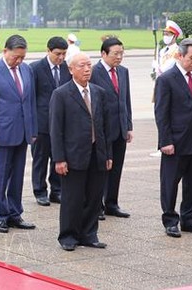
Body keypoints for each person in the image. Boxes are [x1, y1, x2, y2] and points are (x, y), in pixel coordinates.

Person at [50, 52, 112, 251]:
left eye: (89, 65)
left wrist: (108, 154)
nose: (87, 69)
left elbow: (105, 127)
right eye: (81, 66)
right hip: (73, 154)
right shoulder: (61, 94)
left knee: (94, 197)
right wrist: (59, 159)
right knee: (72, 198)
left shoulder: (99, 92)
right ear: (70, 70)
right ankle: (68, 236)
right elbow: (56, 129)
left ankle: (89, 234)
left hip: (97, 153)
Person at [154, 38, 192, 238]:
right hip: (175, 142)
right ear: (180, 55)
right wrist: (165, 141)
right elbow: (161, 113)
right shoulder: (166, 79)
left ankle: (189, 219)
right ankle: (170, 220)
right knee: (170, 182)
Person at [0, 35, 38, 233]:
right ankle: (1, 215)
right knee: (0, 176)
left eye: (22, 57)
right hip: (2, 133)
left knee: (17, 176)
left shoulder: (26, 70)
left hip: (22, 133)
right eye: (16, 57)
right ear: (5, 52)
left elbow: (30, 101)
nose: (19, 61)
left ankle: (15, 213)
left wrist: (33, 129)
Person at [91, 37, 133, 220]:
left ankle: (112, 203)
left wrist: (129, 125)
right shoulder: (93, 72)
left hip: (120, 129)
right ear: (103, 53)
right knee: (101, 168)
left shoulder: (123, 72)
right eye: (115, 54)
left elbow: (126, 100)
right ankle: (96, 205)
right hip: (102, 130)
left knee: (116, 168)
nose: (119, 57)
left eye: (121, 53)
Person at [29, 36, 71, 207]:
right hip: (42, 123)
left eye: (63, 54)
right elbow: (31, 98)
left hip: (61, 124)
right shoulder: (35, 69)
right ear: (48, 51)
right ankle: (40, 191)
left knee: (58, 157)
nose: (60, 58)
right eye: (57, 54)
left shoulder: (67, 69)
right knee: (40, 158)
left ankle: (57, 190)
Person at [150, 20, 184, 157]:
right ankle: (160, 145)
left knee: (166, 115)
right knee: (159, 114)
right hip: (160, 84)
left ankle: (165, 143)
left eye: (168, 33)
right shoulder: (163, 50)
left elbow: (166, 68)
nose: (165, 35)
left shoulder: (177, 50)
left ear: (175, 36)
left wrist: (157, 67)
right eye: (164, 33)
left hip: (169, 85)